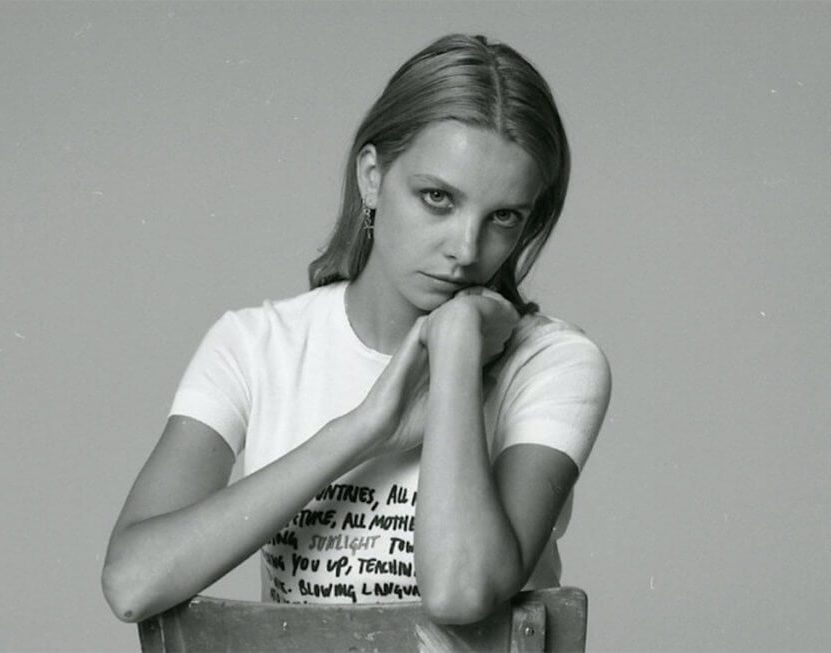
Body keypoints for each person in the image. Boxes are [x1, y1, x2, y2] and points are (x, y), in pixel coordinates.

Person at [101, 33, 611, 627]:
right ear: (372, 176)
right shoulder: (256, 346)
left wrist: (454, 344)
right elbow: (132, 583)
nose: (467, 249)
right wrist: (363, 429)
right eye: (437, 198)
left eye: (503, 217)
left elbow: (460, 592)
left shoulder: (554, 363)